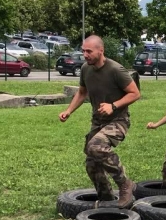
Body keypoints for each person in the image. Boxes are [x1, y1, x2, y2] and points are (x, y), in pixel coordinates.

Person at [59, 35, 141, 208]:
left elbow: (135, 93)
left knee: (96, 147)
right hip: (98, 122)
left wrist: (113, 105)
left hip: (118, 120)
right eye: (83, 51)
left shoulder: (115, 69)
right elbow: (82, 93)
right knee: (91, 162)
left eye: (89, 51)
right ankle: (107, 199)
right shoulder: (85, 69)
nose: (85, 55)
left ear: (100, 51)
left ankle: (125, 184)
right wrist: (68, 111)